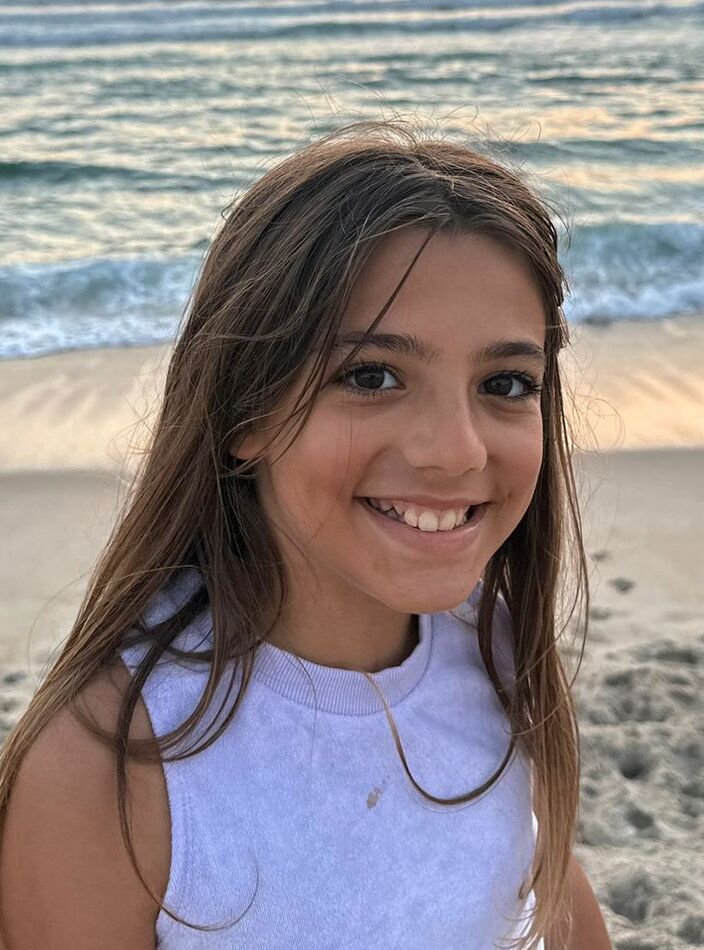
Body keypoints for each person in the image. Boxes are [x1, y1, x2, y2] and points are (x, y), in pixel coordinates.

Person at [0, 119, 612, 949]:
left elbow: (552, 900)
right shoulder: (111, 763)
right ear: (243, 411)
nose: (458, 451)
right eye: (372, 376)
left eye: (505, 383)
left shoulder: (500, 650)